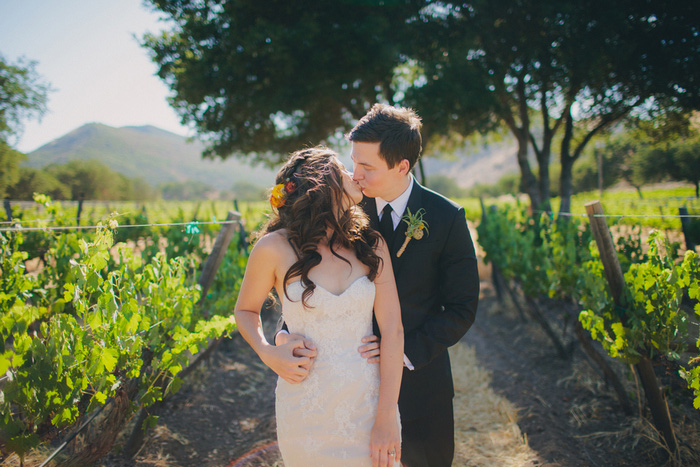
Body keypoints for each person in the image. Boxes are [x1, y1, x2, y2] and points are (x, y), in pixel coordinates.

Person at [278, 104, 480, 466]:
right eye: (354, 161)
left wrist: (401, 351)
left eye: (367, 167)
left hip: (422, 388)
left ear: (402, 166)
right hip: (350, 393)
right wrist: (283, 334)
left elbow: (463, 307)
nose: (355, 175)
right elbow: (305, 275)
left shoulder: (447, 217)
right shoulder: (343, 207)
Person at [233, 146, 404, 467]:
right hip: (305, 405)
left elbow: (393, 330)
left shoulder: (373, 246)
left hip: (367, 403)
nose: (355, 174)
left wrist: (387, 416)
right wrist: (267, 351)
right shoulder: (273, 247)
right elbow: (245, 311)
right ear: (321, 183)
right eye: (342, 168)